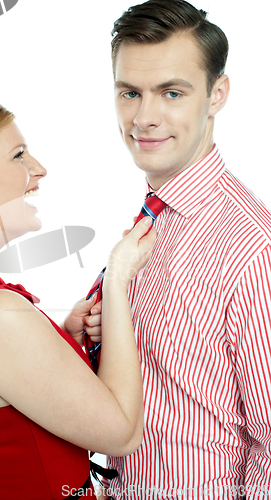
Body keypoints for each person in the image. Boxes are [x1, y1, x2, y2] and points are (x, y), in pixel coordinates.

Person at [93, 0, 271, 498]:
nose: (144, 117)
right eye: (130, 93)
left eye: (172, 92)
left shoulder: (250, 247)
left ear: (217, 95)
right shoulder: (154, 218)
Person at [0, 98, 157, 500]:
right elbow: (122, 434)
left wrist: (58, 342)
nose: (39, 169)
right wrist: (119, 280)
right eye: (19, 155)